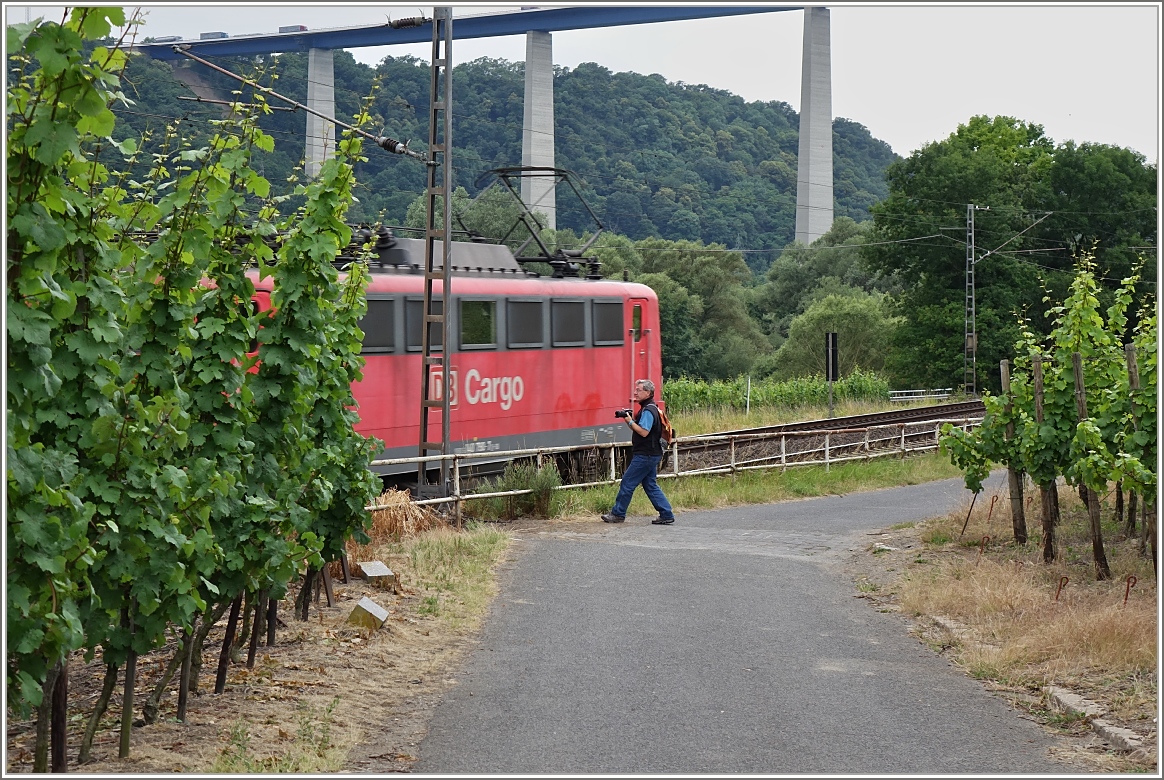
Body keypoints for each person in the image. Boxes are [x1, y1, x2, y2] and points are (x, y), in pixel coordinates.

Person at [602, 379, 676, 525]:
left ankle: (618, 514)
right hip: (651, 453)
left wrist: (630, 421)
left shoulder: (648, 410)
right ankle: (666, 514)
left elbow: (643, 432)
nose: (635, 392)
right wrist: (629, 420)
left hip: (645, 455)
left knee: (627, 483)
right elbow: (641, 430)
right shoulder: (651, 408)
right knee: (650, 485)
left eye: (638, 390)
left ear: (647, 393)